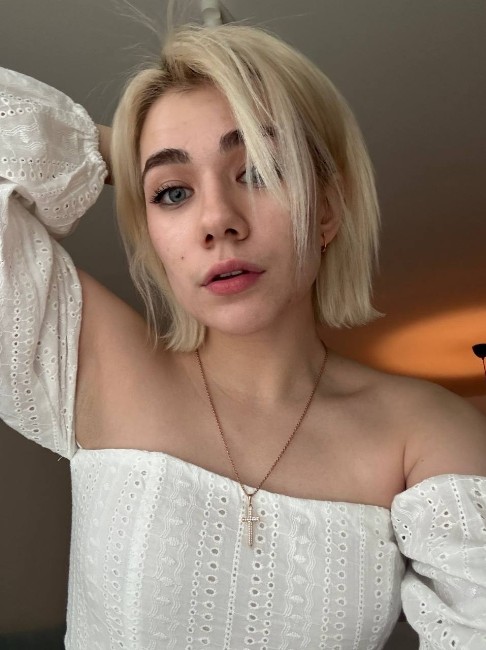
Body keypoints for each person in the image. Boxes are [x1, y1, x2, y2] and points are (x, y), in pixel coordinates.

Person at [1, 20, 485, 650]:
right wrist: (120, 153)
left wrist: (171, 170)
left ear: (327, 210)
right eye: (173, 193)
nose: (217, 221)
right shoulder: (94, 362)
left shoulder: (426, 433)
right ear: (150, 232)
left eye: (257, 171)